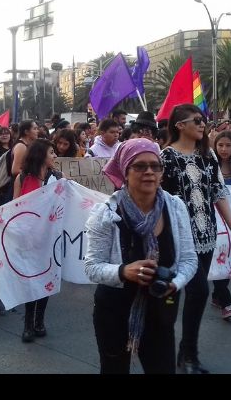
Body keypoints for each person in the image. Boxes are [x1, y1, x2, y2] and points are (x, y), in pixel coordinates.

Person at [85, 138, 198, 374]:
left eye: (155, 166)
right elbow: (92, 267)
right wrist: (123, 271)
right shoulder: (106, 213)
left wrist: (174, 283)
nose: (149, 172)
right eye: (139, 166)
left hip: (160, 309)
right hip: (114, 311)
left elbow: (189, 260)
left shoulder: (175, 207)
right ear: (125, 172)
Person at [159, 104, 231, 374]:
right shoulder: (165, 158)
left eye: (203, 119)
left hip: (206, 235)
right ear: (179, 125)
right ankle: (179, 353)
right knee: (196, 291)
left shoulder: (208, 156)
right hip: (177, 240)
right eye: (196, 120)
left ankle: (186, 353)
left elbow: (218, 194)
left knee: (194, 295)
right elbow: (156, 200)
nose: (202, 124)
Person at [12, 139, 64, 342]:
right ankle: (28, 323)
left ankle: (39, 321)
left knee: (47, 279)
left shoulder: (58, 178)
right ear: (41, 155)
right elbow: (14, 207)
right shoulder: (22, 178)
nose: (55, 156)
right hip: (28, 239)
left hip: (50, 238)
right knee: (30, 280)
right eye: (51, 152)